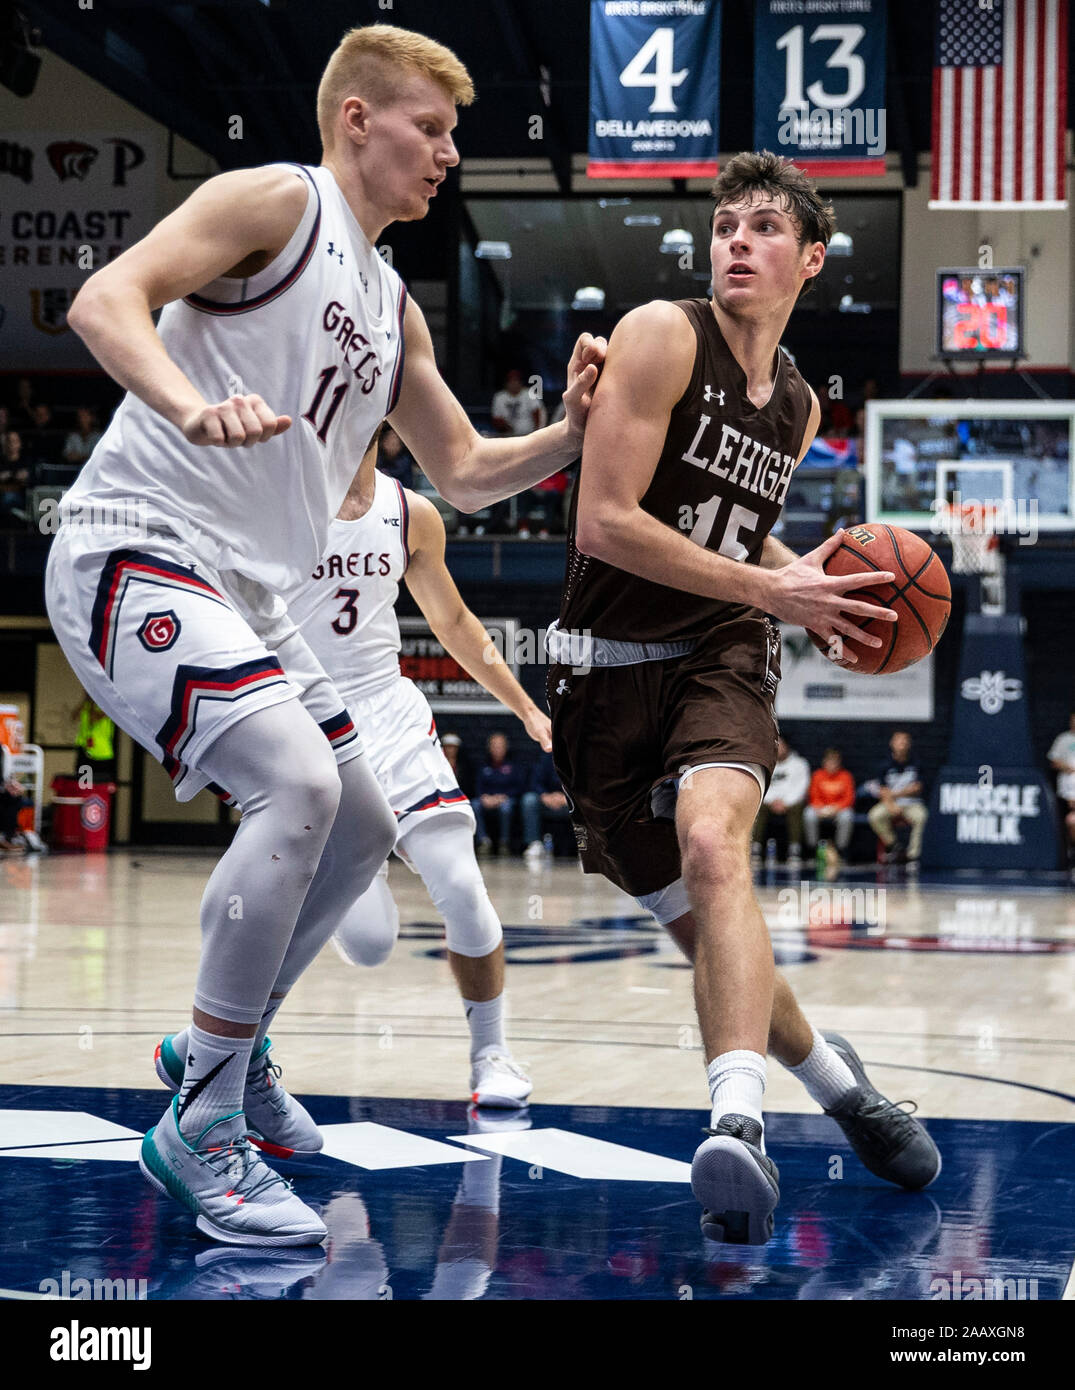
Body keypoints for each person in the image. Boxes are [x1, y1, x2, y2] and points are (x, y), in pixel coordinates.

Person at [47, 21, 605, 1246]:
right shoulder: (276, 201)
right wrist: (194, 407)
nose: (449, 153)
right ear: (358, 117)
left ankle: (225, 1059)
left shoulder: (392, 299)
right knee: (300, 784)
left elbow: (460, 471)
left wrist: (569, 431)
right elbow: (105, 300)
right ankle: (202, 1117)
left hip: (248, 591)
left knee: (364, 816)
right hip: (137, 539)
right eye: (432, 127)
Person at [546, 151, 939, 1246]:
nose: (735, 242)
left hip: (718, 643)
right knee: (702, 928)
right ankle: (834, 1082)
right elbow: (608, 521)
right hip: (600, 665)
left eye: (764, 227)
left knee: (715, 847)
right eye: (724, 225)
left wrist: (790, 583)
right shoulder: (663, 335)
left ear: (810, 258)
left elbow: (724, 530)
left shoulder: (800, 403)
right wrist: (776, 581)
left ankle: (737, 1124)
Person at [283, 430, 548, 1105]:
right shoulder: (273, 503)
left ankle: (491, 1054)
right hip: (303, 722)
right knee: (370, 944)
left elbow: (456, 622)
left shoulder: (411, 514)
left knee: (462, 887)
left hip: (387, 712)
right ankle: (227, 1045)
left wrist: (523, 707)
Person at [866, 730, 928, 865]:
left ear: (909, 744)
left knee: (922, 817)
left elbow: (917, 789)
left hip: (912, 803)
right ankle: (895, 846)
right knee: (874, 816)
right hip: (890, 803)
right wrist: (891, 804)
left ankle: (912, 856)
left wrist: (895, 793)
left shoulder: (916, 764)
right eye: (899, 741)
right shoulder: (884, 765)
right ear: (892, 743)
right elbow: (882, 790)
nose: (902, 744)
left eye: (905, 741)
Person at [751, 735, 809, 868]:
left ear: (787, 746)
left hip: (791, 802)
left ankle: (794, 849)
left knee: (797, 808)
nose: (778, 748)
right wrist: (771, 801)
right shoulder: (765, 764)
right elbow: (760, 784)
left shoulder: (799, 764)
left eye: (780, 745)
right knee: (757, 806)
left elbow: (801, 787)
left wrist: (786, 802)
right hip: (769, 801)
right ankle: (756, 848)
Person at [803, 746, 856, 871]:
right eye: (829, 761)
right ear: (824, 762)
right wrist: (820, 808)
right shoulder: (818, 775)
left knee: (847, 816)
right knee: (808, 814)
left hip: (838, 810)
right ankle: (812, 849)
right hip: (821, 809)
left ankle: (841, 850)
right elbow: (813, 796)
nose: (832, 764)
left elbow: (849, 799)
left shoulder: (846, 776)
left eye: (835, 761)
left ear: (839, 763)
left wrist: (836, 808)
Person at [472, 732, 524, 855]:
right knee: (474, 804)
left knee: (506, 808)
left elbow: (519, 787)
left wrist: (503, 797)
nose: (497, 750)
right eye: (494, 746)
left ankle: (504, 842)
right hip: (488, 799)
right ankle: (483, 840)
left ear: (506, 747)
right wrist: (484, 797)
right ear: (489, 748)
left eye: (500, 746)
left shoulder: (513, 766)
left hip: (506, 799)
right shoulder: (483, 766)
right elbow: (477, 786)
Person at [521, 751, 571, 860]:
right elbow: (535, 782)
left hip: (570, 801)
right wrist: (544, 795)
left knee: (586, 802)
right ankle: (534, 843)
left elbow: (584, 784)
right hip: (547, 800)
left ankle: (586, 847)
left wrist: (568, 797)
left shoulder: (579, 757)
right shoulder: (547, 757)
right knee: (529, 800)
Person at [1047, 710, 1075, 866]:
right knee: (1070, 821)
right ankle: (1070, 857)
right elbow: (1054, 761)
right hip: (1067, 794)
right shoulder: (1064, 739)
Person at [72, 696, 117, 785]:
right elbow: (73, 717)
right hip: (85, 750)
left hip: (101, 753)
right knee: (83, 783)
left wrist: (93, 701)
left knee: (100, 784)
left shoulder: (106, 705)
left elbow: (93, 719)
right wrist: (84, 701)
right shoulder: (86, 705)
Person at [374, 422, 414, 488]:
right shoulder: (376, 459)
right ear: (383, 443)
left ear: (401, 444)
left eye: (395, 443)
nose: (393, 444)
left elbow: (407, 484)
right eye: (390, 441)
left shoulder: (406, 460)